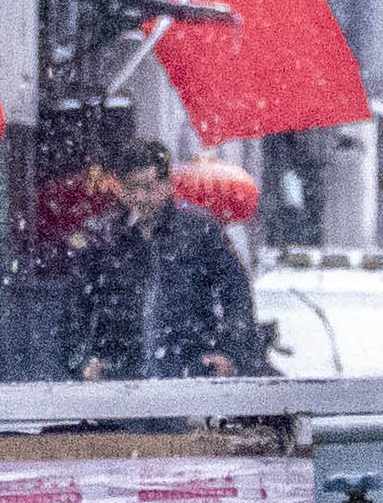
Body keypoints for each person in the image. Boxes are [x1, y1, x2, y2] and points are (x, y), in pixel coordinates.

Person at [67, 131, 258, 379]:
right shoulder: (105, 237)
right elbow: (76, 306)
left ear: (167, 184)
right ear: (121, 188)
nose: (141, 198)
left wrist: (228, 352)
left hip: (189, 367)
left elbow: (236, 292)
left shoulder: (199, 231)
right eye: (132, 188)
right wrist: (83, 361)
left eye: (149, 187)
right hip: (119, 372)